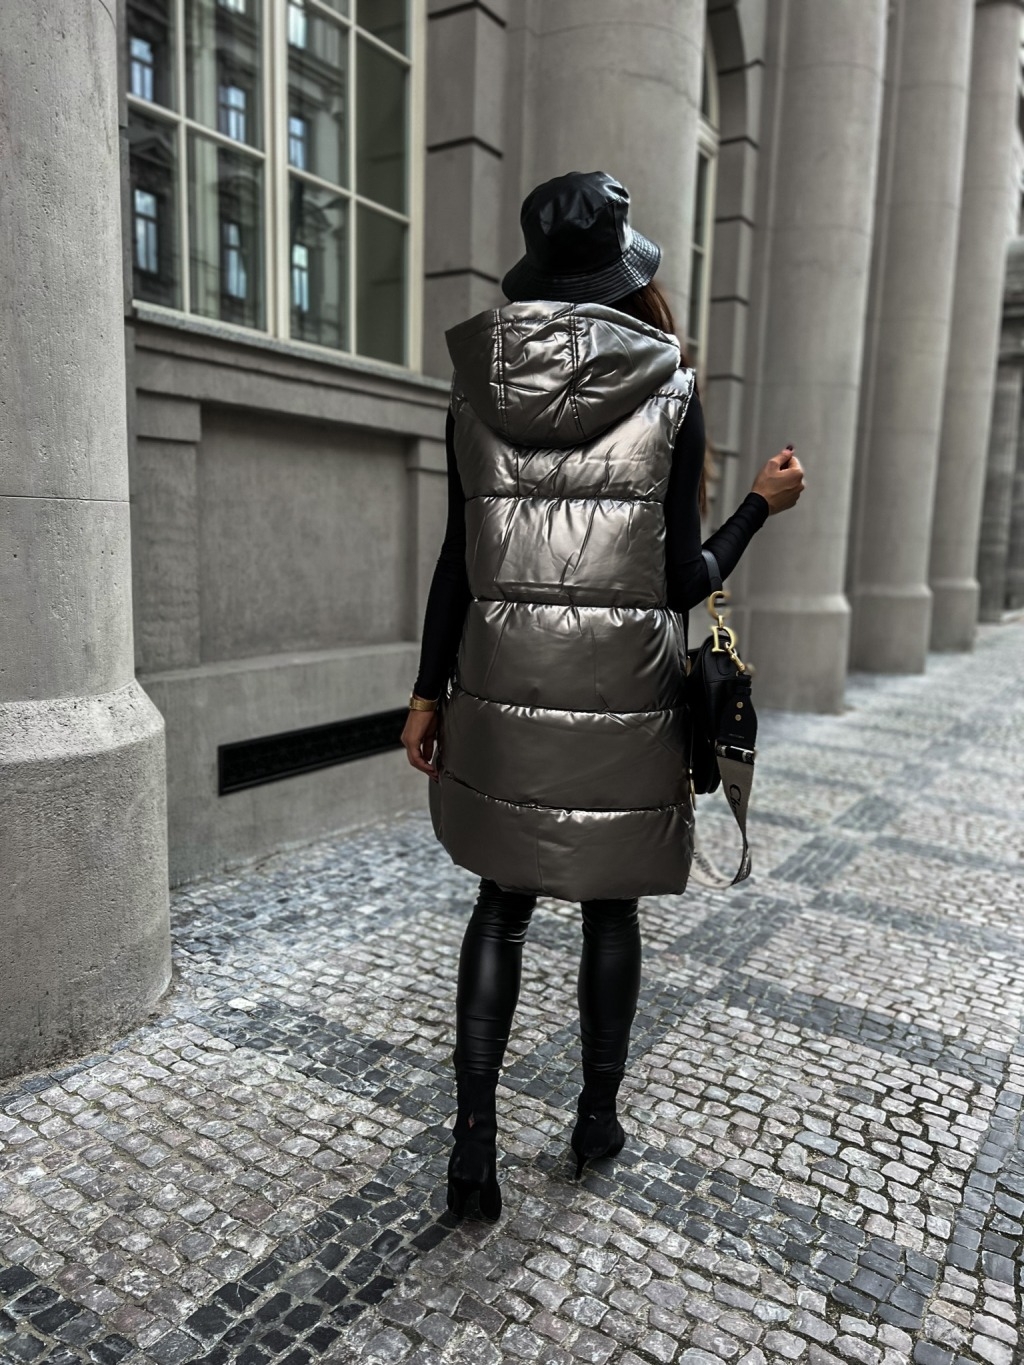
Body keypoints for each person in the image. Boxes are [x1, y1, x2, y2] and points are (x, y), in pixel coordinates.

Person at [401, 171, 804, 1221]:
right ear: (628, 279)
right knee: (609, 908)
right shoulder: (671, 391)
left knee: (499, 905)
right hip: (624, 696)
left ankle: (472, 1149)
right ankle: (594, 1120)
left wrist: (426, 693)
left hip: (497, 689)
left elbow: (456, 559)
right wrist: (759, 506)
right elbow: (679, 583)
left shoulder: (474, 387)